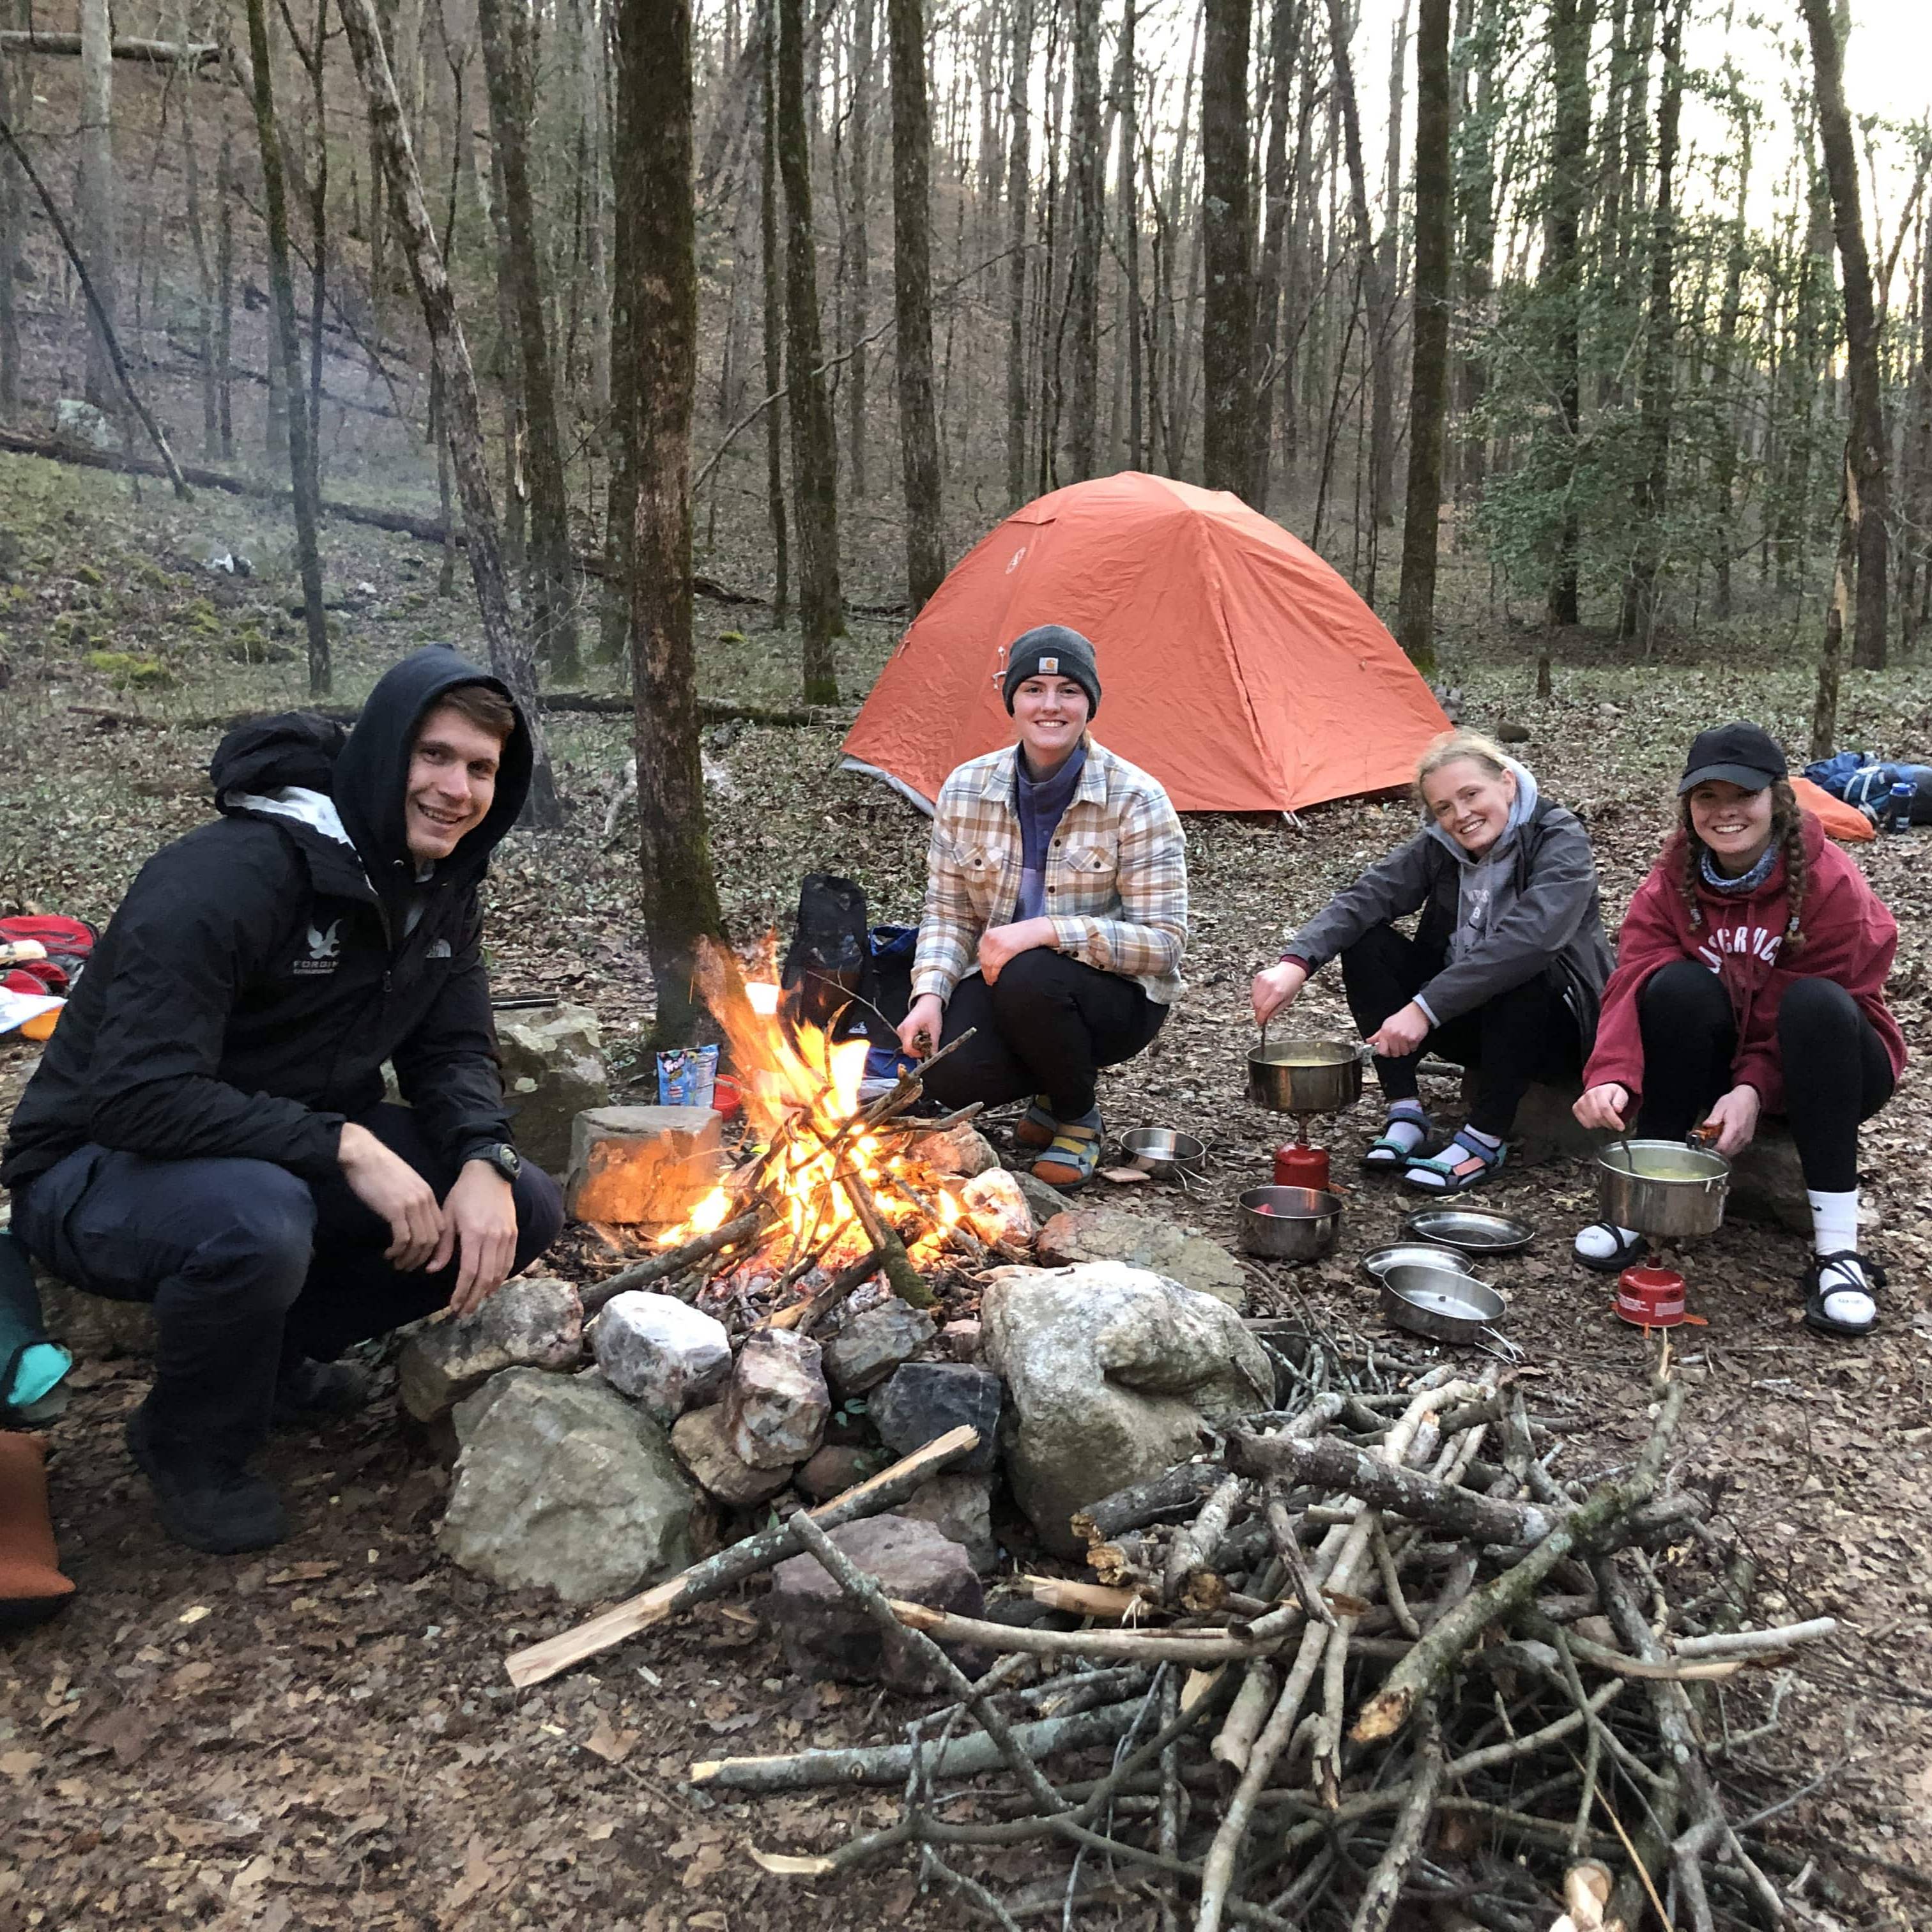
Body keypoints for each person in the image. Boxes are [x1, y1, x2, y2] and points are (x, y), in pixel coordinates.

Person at [2, 647, 564, 1553]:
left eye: (481, 769)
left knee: (522, 1203)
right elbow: (135, 1096)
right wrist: (343, 1142)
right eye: (434, 755)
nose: (456, 789)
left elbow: (452, 1048)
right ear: (383, 753)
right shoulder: (227, 877)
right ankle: (188, 1446)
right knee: (258, 1220)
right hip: (93, 1168)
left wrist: (484, 1157)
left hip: (276, 1150)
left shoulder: (440, 889)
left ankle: (267, 1365)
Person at [1571, 723, 1905, 1338]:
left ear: (1776, 799)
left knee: (1816, 1003)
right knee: (1674, 985)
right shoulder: (1673, 877)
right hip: (1723, 1060)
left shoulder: (1831, 881)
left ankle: (1838, 1252)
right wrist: (1613, 1072)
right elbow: (1631, 976)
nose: (1725, 812)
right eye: (1707, 798)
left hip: (1831, 1065)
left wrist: (1754, 1087)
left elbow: (1843, 995)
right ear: (1688, 806)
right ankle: (1644, 1201)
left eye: (1742, 795)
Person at [1251, 730, 1611, 1194]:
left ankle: (1486, 1137)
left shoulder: (1559, 839)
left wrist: (1423, 1008)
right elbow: (1369, 895)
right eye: (1443, 807)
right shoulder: (1441, 846)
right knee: (1367, 941)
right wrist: (1295, 963)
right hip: (1468, 1021)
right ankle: (1405, 1109)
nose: (1460, 815)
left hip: (1553, 1029)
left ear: (1507, 783)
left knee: (1523, 964)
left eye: (1471, 794)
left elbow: (1531, 940)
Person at [895, 625, 1187, 1188]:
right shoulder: (965, 788)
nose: (1050, 706)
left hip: (1116, 999)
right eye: (1033, 689)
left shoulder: (1136, 798)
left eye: (1068, 691)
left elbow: (1165, 944)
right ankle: (1053, 1087)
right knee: (944, 1075)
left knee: (1032, 972)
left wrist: (1048, 931)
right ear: (1013, 701)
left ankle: (1078, 1115)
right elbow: (948, 912)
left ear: (1089, 703)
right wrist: (929, 993)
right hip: (1012, 984)